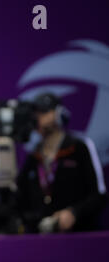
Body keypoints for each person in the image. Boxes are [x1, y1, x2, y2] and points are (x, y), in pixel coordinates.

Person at [15, 93, 108, 233]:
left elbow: (99, 194)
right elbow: (19, 199)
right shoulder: (34, 157)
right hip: (41, 238)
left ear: (60, 114)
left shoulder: (80, 148)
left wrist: (74, 212)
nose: (39, 117)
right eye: (36, 113)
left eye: (45, 111)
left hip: (79, 235)